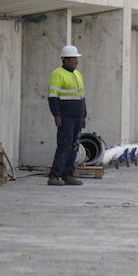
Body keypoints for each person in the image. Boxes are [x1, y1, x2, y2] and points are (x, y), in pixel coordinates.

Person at [47, 44, 86, 186]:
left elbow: (82, 97)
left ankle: (68, 174)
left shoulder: (77, 75)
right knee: (64, 145)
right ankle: (54, 176)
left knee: (74, 146)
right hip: (65, 116)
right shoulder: (57, 74)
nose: (76, 62)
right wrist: (56, 115)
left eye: (76, 59)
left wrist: (83, 116)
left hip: (77, 116)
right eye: (74, 59)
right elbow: (53, 97)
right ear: (66, 60)